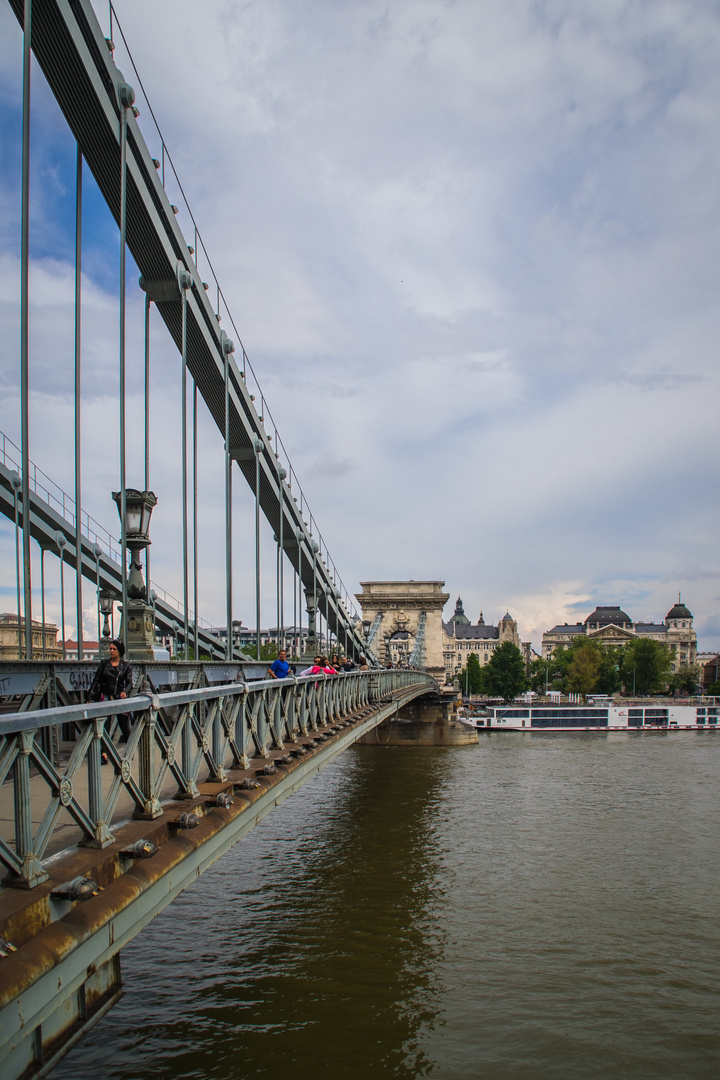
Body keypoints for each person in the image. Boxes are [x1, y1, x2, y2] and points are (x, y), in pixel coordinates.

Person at [88, 638, 133, 741]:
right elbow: (96, 680)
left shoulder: (125, 666)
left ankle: (129, 751)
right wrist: (90, 695)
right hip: (105, 698)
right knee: (105, 727)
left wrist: (125, 692)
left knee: (124, 727)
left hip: (119, 699)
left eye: (114, 649)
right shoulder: (104, 664)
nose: (111, 651)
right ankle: (104, 753)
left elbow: (130, 683)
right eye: (110, 649)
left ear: (120, 651)